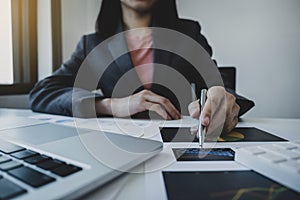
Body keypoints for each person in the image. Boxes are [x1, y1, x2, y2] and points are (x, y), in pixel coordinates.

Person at [30, 0, 254, 135]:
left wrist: (221, 96)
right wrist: (110, 105)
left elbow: (219, 84)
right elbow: (43, 92)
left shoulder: (187, 33)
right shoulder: (92, 45)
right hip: (117, 146)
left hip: (177, 145)